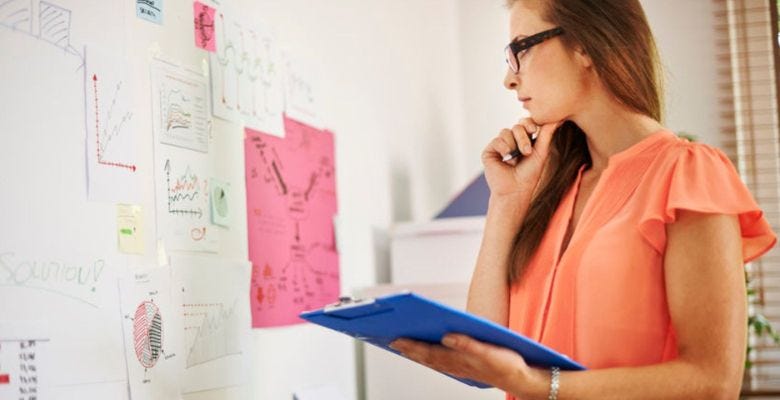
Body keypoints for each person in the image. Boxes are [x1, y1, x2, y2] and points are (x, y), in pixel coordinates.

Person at [389, 0, 778, 398]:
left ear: (585, 47)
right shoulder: (552, 188)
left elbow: (713, 382)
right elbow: (484, 355)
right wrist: (506, 202)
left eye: (520, 50)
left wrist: (538, 385)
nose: (509, 78)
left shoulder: (688, 174)